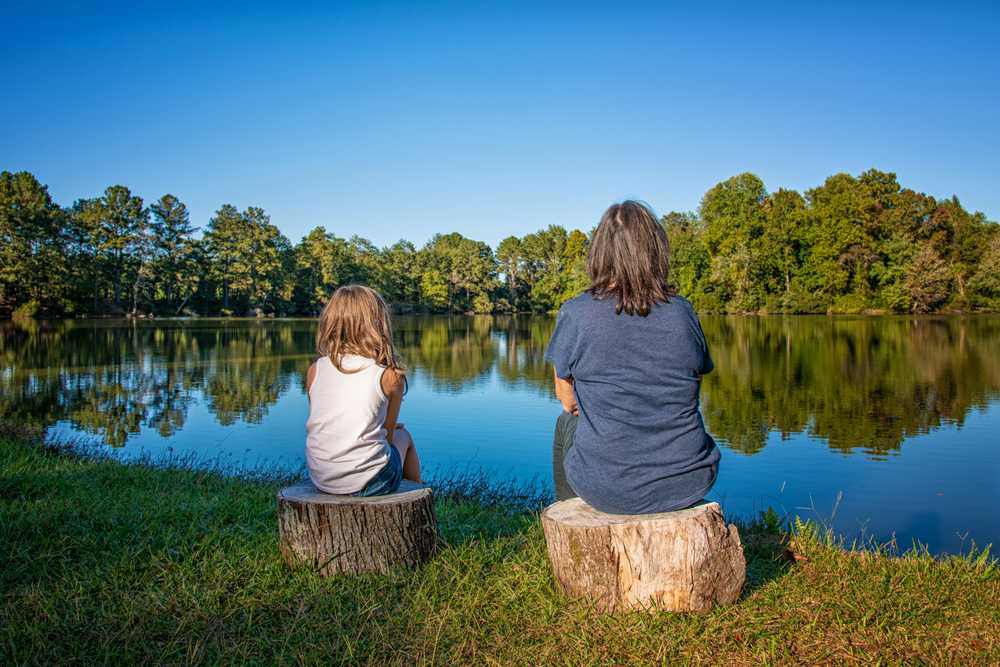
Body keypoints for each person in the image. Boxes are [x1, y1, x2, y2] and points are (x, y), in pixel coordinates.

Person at [545, 200, 719, 515]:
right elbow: (694, 379)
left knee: (564, 424)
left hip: (606, 488)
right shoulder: (683, 312)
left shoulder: (576, 313)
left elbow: (568, 402)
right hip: (690, 477)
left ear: (599, 254)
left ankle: (569, 508)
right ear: (656, 251)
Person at [305, 284, 421, 496]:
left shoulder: (316, 370)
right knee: (403, 436)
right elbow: (386, 438)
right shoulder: (390, 376)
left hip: (321, 476)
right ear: (378, 324)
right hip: (370, 481)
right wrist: (388, 429)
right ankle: (416, 495)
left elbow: (325, 423)